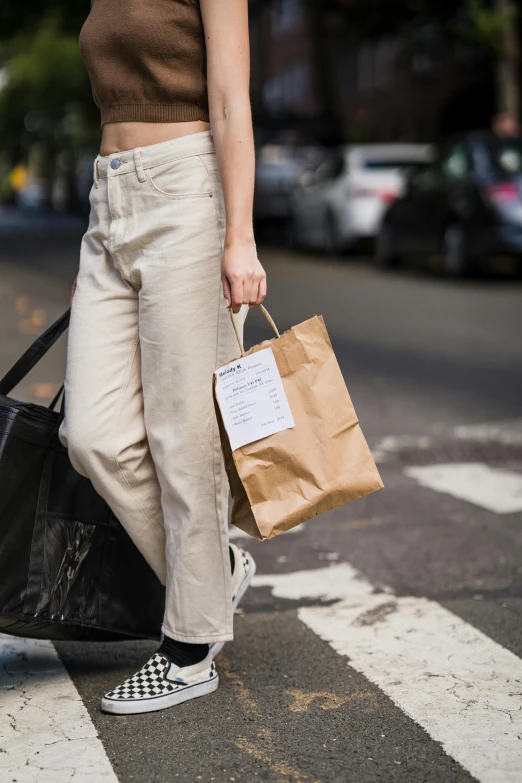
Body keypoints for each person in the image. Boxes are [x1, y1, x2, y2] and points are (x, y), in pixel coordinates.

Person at [58, 0, 266, 715]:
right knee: (90, 434)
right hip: (109, 200)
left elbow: (232, 101)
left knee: (183, 435)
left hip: (185, 192)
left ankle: (189, 650)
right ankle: (220, 568)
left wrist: (238, 235)